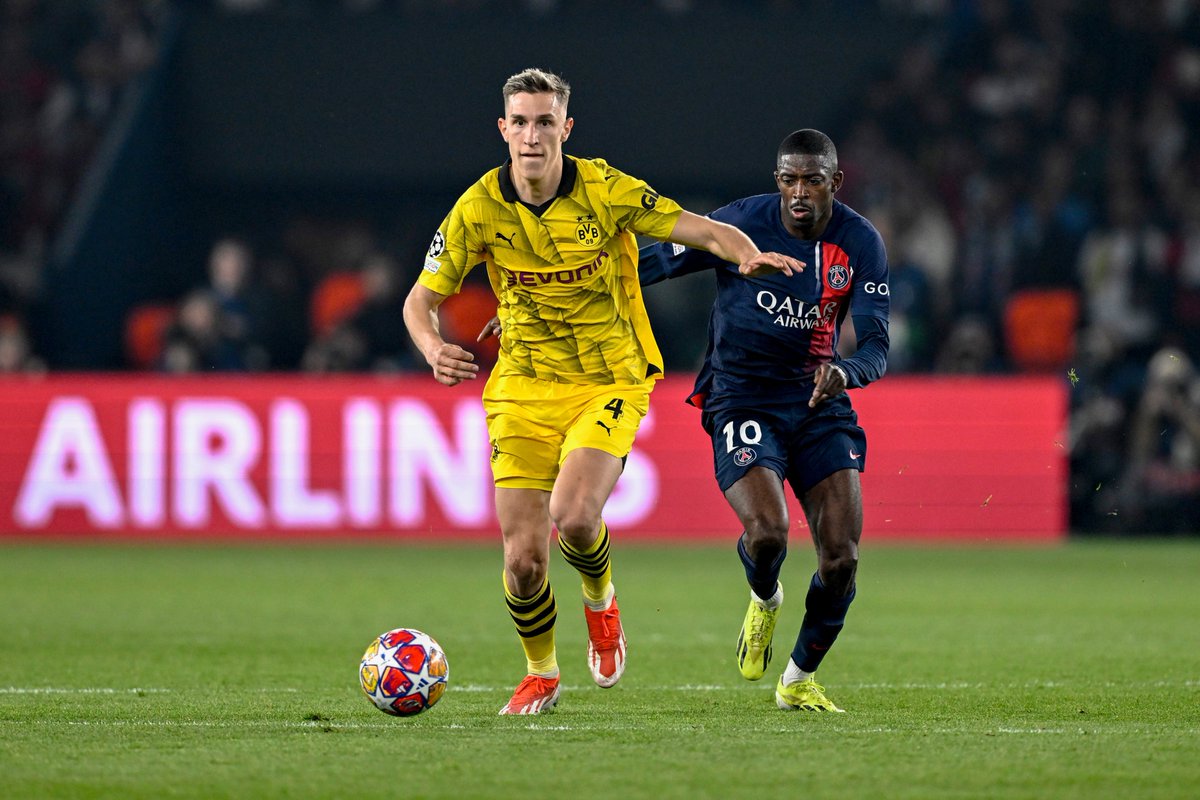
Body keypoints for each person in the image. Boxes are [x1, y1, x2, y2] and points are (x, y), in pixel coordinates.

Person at [403, 68, 801, 716]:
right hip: (522, 388)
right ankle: (542, 674)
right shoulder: (478, 209)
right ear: (504, 130)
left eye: (544, 121)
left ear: (566, 126)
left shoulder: (606, 190)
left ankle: (601, 601)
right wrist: (430, 346)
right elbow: (419, 302)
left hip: (608, 377)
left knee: (577, 516)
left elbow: (699, 229)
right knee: (524, 562)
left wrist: (746, 252)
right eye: (521, 122)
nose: (533, 135)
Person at [638, 129, 890, 712]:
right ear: (777, 180)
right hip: (742, 399)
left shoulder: (860, 243)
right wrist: (559, 296)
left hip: (818, 403)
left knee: (842, 556)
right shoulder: (740, 225)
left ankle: (799, 678)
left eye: (812, 180)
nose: (798, 193)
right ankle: (766, 597)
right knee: (769, 534)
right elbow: (652, 262)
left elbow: (877, 345)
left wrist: (846, 372)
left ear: (836, 182)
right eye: (788, 180)